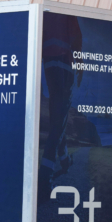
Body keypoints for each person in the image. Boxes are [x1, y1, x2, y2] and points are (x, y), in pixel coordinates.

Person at [39, 14, 83, 200]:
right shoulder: (65, 12)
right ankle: (45, 176)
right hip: (64, 64)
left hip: (49, 63)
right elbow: (76, 36)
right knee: (60, 116)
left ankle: (64, 159)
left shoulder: (46, 14)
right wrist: (79, 62)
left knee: (58, 113)